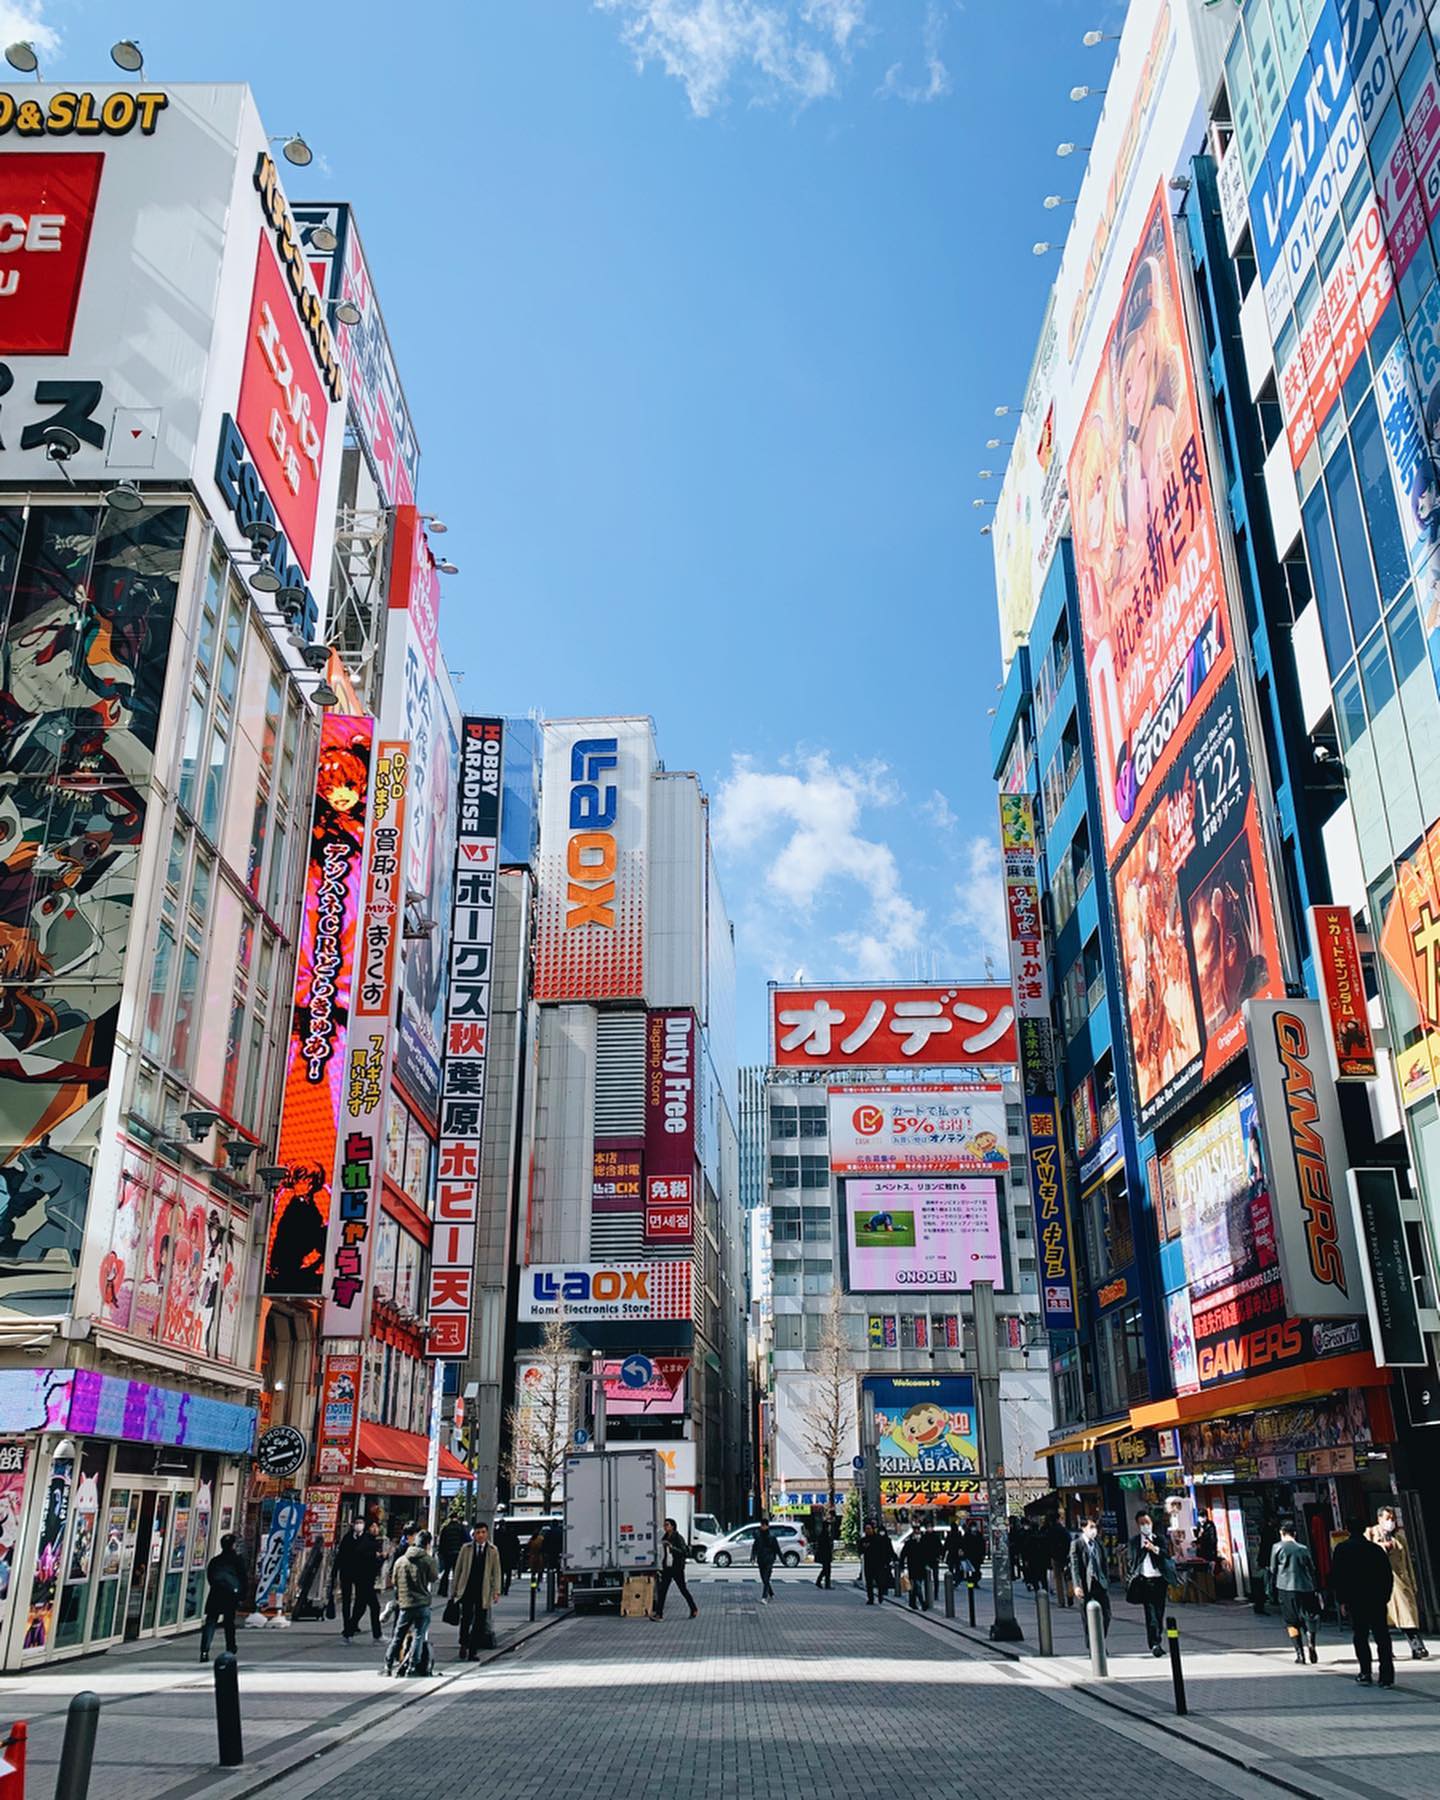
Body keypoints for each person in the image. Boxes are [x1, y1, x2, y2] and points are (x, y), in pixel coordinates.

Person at [1329, 1517, 1395, 1688]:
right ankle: (1386, 1676)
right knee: (1382, 1637)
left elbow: (1338, 1577)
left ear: (1347, 1529)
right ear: (1365, 1529)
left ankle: (1365, 1672)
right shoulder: (1375, 1549)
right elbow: (1387, 1575)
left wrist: (1342, 1601)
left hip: (1355, 1600)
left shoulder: (1342, 1549)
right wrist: (1385, 1596)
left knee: (1360, 1636)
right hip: (1376, 1599)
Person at [1371, 1508, 1427, 1660]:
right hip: (1379, 1583)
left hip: (1400, 1583)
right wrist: (1383, 1547)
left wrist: (1412, 1582)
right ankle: (1386, 1651)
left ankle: (1417, 1647)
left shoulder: (1400, 1537)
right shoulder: (1370, 1534)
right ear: (1379, 1519)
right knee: (1381, 1621)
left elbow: (1407, 1561)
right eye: (1387, 1518)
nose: (1391, 1522)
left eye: (1393, 1518)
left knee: (1407, 1616)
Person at [384, 1528, 438, 1677]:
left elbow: (394, 1580)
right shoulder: (428, 1560)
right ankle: (412, 1666)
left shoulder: (401, 1560)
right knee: (419, 1635)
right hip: (422, 1604)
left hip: (405, 1604)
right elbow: (434, 1578)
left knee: (398, 1635)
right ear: (427, 1544)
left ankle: (388, 1664)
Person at [1267, 1520, 1319, 1665]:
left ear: (1281, 1533)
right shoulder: (1303, 1548)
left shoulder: (1277, 1547)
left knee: (1291, 1622)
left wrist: (1271, 1589)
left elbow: (1273, 1569)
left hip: (1286, 1587)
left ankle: (1300, 1654)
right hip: (1306, 1587)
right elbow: (1311, 1568)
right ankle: (1311, 1642)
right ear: (1294, 1533)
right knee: (1309, 1617)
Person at [451, 1522, 502, 1660]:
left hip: (483, 1590)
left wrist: (496, 1591)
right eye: (478, 1532)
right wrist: (454, 1589)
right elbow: (458, 1570)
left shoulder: (492, 1550)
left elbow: (496, 1572)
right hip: (467, 1589)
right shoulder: (466, 1549)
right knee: (465, 1619)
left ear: (487, 1534)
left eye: (483, 1532)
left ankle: (473, 1651)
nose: (480, 1535)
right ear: (474, 1535)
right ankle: (463, 1643)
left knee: (480, 1621)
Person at [1127, 1510, 1173, 1657]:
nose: (1145, 1526)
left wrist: (1154, 1548)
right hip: (1145, 1581)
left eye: (1147, 1523)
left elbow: (1166, 1554)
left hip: (1159, 1580)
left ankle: (1157, 1637)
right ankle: (1154, 1643)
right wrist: (1142, 1548)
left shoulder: (1159, 1539)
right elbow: (1132, 1559)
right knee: (1150, 1613)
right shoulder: (1135, 1542)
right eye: (1142, 1524)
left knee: (1159, 1612)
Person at [199, 1533, 246, 1661]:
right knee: (229, 1623)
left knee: (211, 1622)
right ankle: (230, 1648)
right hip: (230, 1596)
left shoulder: (215, 1560)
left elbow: (210, 1577)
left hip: (215, 1594)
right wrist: (241, 1596)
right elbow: (243, 1578)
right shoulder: (237, 1560)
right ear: (233, 1545)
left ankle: (204, 1650)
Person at [338, 1520, 384, 1643]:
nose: (375, 1529)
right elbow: (370, 1562)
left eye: (376, 1526)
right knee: (374, 1607)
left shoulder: (369, 1541)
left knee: (361, 1607)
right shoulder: (367, 1542)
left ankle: (349, 1632)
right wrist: (381, 1558)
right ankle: (376, 1634)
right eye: (373, 1526)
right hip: (364, 1579)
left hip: (364, 1579)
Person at [1069, 1518, 1111, 1637]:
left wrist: (1106, 1580)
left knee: (1107, 1615)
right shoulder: (1077, 1544)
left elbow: (1104, 1563)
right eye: (1091, 1527)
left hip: (1100, 1583)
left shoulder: (1099, 1543)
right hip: (1085, 1585)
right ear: (1083, 1528)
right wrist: (1076, 1585)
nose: (1094, 1530)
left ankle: (1100, 1640)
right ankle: (1092, 1645)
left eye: (1095, 1527)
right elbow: (1075, 1566)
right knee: (1087, 1619)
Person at [652, 1517, 699, 1620]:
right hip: (667, 1568)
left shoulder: (678, 1537)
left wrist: (672, 1547)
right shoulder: (664, 1538)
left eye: (667, 1525)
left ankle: (693, 1608)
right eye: (664, 1525)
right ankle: (659, 1614)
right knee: (662, 1591)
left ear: (672, 1526)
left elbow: (684, 1552)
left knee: (683, 1590)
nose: (665, 1527)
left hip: (677, 1568)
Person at [437, 1510, 468, 1598]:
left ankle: (443, 1591)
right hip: (458, 1553)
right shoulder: (461, 1528)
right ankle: (456, 1591)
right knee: (457, 1572)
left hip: (447, 1553)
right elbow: (466, 1539)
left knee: (446, 1572)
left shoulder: (445, 1528)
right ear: (457, 1518)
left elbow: (442, 1542)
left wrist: (441, 1553)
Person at [861, 1521, 891, 1604]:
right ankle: (870, 1599)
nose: (868, 1530)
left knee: (880, 1582)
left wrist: (886, 1561)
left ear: (873, 1529)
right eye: (866, 1529)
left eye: (869, 1529)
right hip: (868, 1564)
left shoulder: (878, 1539)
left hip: (878, 1564)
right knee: (869, 1583)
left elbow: (884, 1550)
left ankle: (880, 1595)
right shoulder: (863, 1540)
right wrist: (864, 1548)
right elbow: (860, 1551)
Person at [901, 1527, 931, 1611]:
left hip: (921, 1568)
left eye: (918, 1533)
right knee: (917, 1585)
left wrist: (928, 1564)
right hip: (913, 1567)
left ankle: (912, 1602)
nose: (917, 1535)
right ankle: (922, 1602)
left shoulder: (923, 1543)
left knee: (915, 1587)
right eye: (915, 1533)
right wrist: (902, 1566)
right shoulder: (909, 1543)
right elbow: (903, 1555)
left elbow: (927, 1554)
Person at [750, 1520, 779, 1602]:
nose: (762, 1527)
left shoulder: (772, 1536)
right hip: (761, 1559)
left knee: (766, 1578)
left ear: (767, 1526)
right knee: (763, 1578)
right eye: (761, 1525)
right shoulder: (758, 1536)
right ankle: (771, 1593)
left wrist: (782, 1559)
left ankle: (764, 1597)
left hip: (769, 1560)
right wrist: (753, 1557)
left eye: (764, 1525)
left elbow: (777, 1549)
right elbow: (754, 1547)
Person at [1046, 1515, 1073, 1606]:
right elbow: (1069, 1541)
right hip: (1065, 1556)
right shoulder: (1063, 1530)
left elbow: (1047, 1544)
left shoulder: (1050, 1531)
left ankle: (1061, 1601)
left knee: (1058, 1580)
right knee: (1068, 1578)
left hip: (1055, 1557)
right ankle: (1070, 1595)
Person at [495, 1518, 519, 1596]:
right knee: (507, 1573)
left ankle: (502, 1587)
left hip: (501, 1555)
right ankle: (505, 1588)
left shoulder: (496, 1533)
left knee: (501, 1573)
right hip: (508, 1556)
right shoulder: (511, 1533)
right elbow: (516, 1545)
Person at [813, 1511, 835, 1590]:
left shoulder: (823, 1534)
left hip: (825, 1554)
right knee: (827, 1569)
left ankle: (821, 1582)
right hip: (825, 1554)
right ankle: (824, 1583)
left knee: (826, 1569)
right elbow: (825, 1545)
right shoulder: (824, 1534)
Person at [962, 1518, 986, 1585]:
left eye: (974, 1526)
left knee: (977, 1570)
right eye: (972, 1526)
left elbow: (982, 1544)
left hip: (978, 1555)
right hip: (970, 1555)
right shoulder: (967, 1535)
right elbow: (964, 1545)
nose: (973, 1528)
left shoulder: (979, 1535)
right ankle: (971, 1583)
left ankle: (975, 1581)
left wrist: (983, 1554)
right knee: (971, 1570)